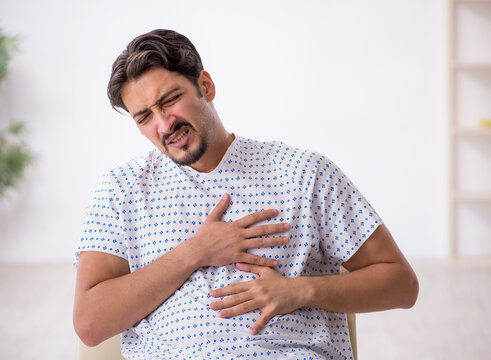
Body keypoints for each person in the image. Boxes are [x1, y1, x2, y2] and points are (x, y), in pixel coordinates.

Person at [73, 29, 418, 360]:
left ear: (205, 86)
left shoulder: (304, 172)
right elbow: (90, 324)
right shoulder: (121, 188)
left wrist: (302, 291)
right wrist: (196, 252)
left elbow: (401, 284)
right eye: (144, 117)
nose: (164, 125)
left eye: (170, 100)